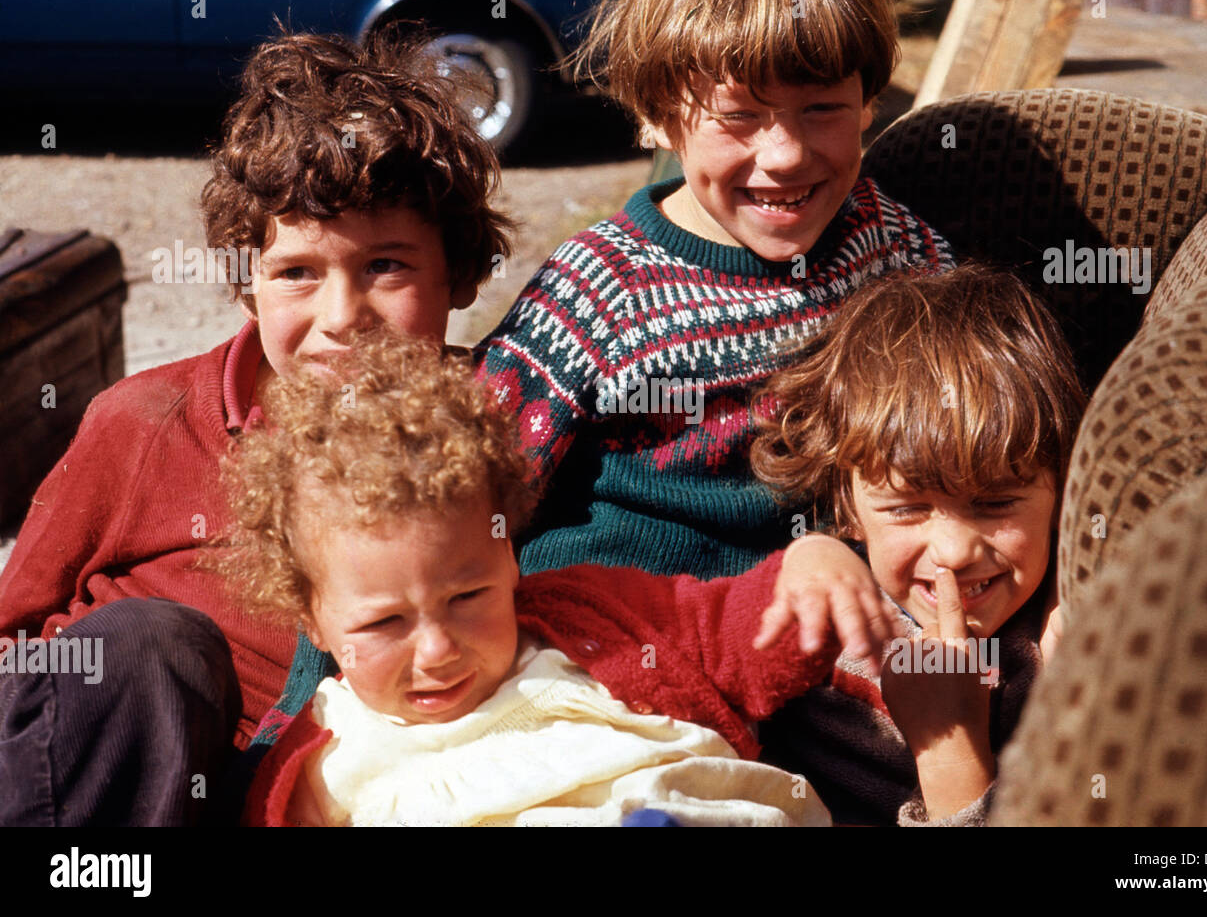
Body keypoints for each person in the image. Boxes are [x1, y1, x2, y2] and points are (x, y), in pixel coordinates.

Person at [0, 27, 510, 825]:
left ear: (461, 273)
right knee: (146, 645)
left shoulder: (490, 438)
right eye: (297, 273)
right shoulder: (144, 423)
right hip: (103, 801)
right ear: (247, 287)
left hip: (320, 798)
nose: (344, 319)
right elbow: (17, 642)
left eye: (387, 265)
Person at [227, 331, 892, 826]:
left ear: (507, 553)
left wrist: (809, 571)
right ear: (312, 619)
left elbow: (739, 634)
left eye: (468, 597)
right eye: (383, 622)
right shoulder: (318, 769)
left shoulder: (594, 623)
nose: (437, 649)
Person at [476, 0, 953, 581]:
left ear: (867, 105)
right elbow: (457, 494)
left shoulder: (891, 245)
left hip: (830, 622)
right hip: (617, 635)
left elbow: (984, 416)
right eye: (739, 115)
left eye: (823, 108)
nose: (785, 155)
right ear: (657, 117)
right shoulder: (597, 290)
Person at [750, 265, 1088, 824]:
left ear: (1063, 482)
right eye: (907, 508)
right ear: (847, 505)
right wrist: (806, 557)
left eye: (996, 502)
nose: (953, 552)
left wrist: (949, 752)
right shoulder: (821, 629)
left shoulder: (1074, 641)